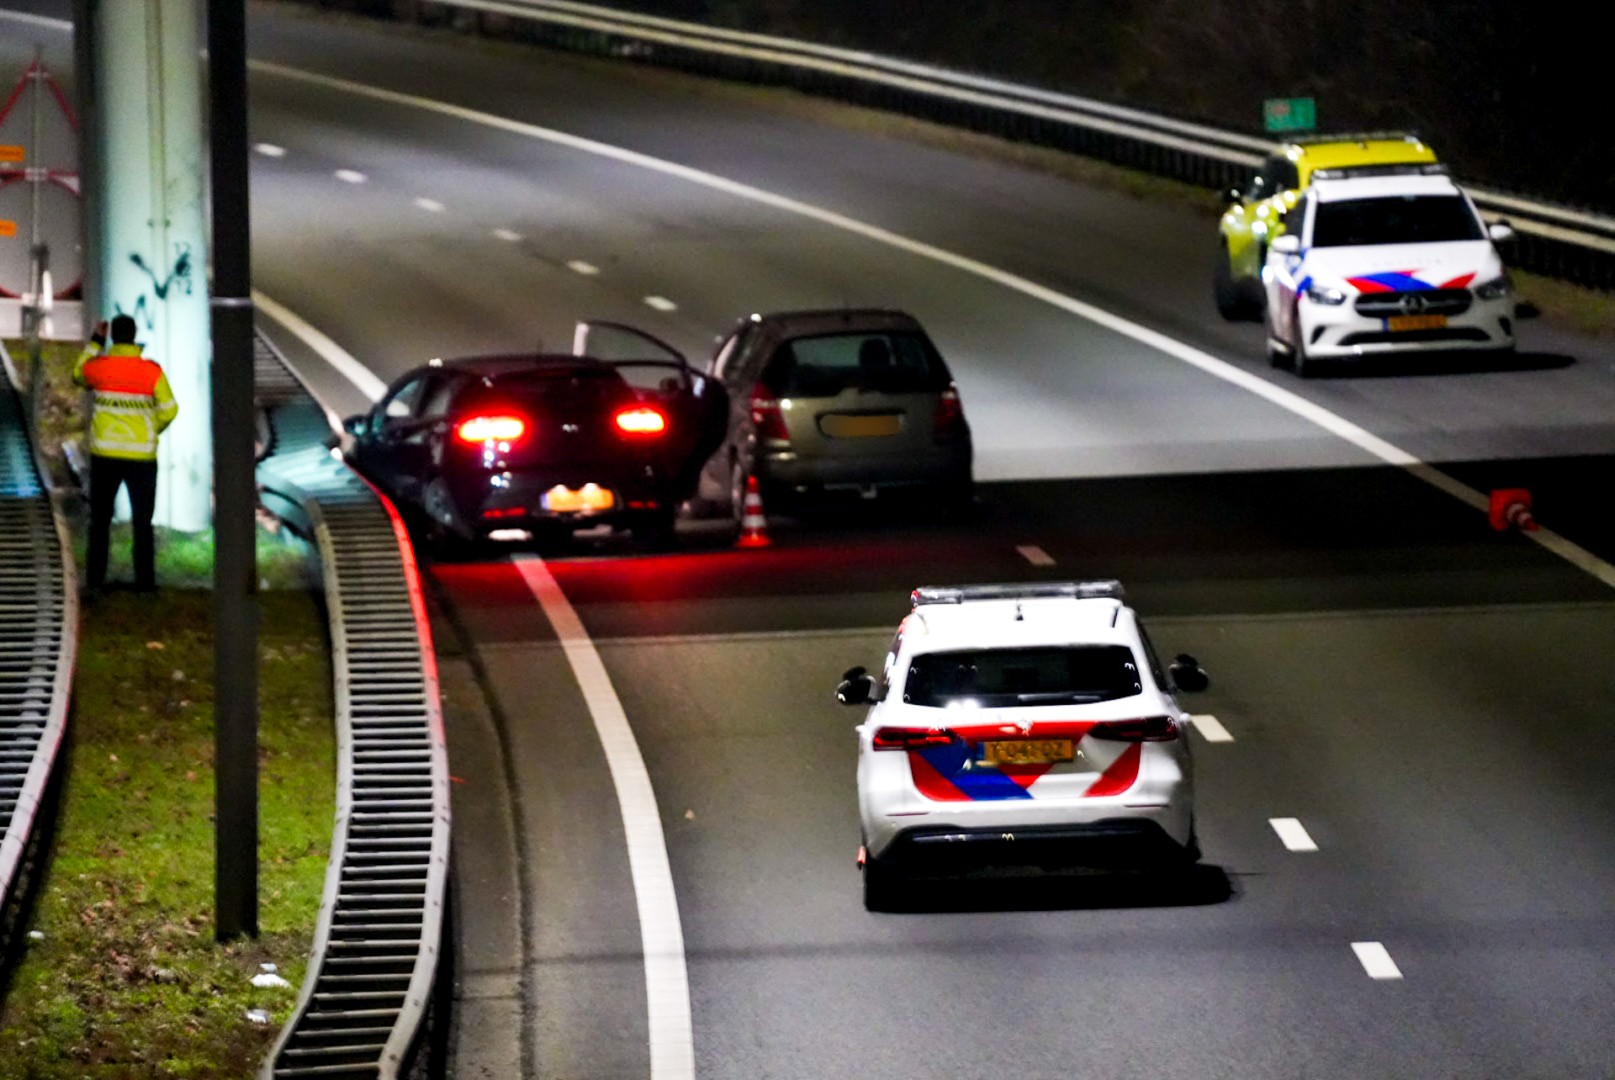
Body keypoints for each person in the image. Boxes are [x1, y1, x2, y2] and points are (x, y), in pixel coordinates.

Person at [73, 314, 179, 592]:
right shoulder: (151, 372)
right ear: (134, 336)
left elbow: (77, 374)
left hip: (105, 456)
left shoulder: (100, 368)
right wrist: (150, 429)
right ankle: (145, 586)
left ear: (112, 337)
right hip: (141, 460)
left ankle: (95, 583)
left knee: (100, 522)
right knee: (143, 523)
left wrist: (95, 341)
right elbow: (170, 409)